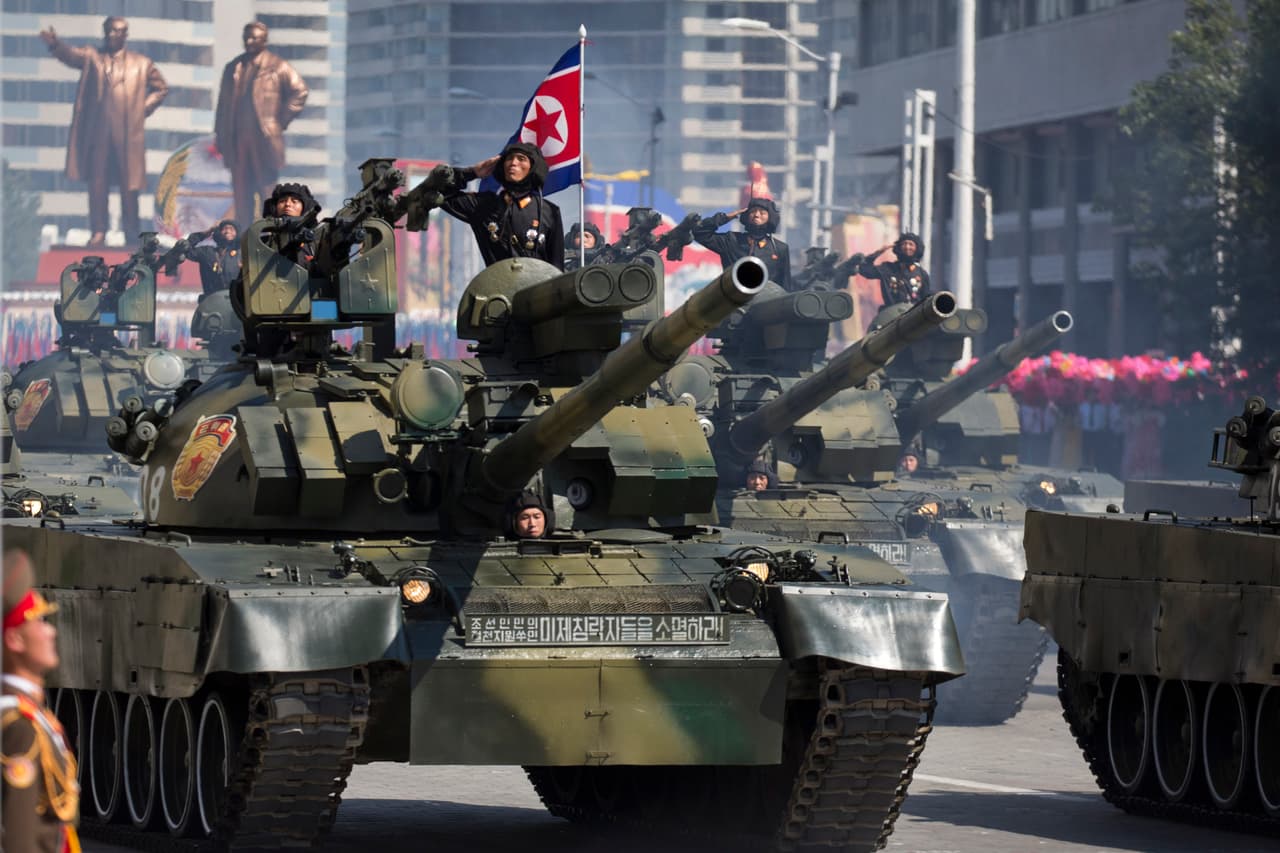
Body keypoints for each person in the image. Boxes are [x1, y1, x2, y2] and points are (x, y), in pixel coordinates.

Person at [40, 17, 168, 246]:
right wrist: (55, 45)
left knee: (130, 189)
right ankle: (98, 231)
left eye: (117, 32)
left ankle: (131, 233)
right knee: (97, 184)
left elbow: (161, 89)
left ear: (125, 35)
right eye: (109, 31)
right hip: (99, 135)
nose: (112, 36)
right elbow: (71, 55)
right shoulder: (92, 57)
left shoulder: (142, 63)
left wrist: (141, 109)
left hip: (128, 138)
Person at [2, 550, 79, 853]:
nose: (51, 631)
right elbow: (18, 838)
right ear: (14, 640)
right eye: (38, 620)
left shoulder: (29, 716)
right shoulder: (18, 726)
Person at [215, 21, 309, 231]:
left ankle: (272, 236)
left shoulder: (277, 66)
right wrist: (220, 137)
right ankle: (242, 242)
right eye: (246, 37)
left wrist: (278, 122)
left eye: (254, 38)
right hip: (238, 141)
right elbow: (222, 107)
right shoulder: (233, 68)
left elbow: (300, 91)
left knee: (267, 191)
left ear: (264, 41)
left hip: (263, 141)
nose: (249, 42)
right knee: (241, 194)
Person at [440, 142, 565, 270]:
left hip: (539, 287)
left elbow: (557, 268)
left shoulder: (549, 212)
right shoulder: (484, 205)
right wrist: (472, 173)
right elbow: (436, 193)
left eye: (521, 159)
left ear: (532, 168)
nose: (513, 163)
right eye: (509, 158)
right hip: (498, 287)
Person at [691, 197, 792, 290]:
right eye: (753, 211)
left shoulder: (779, 249)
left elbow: (785, 285)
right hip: (733, 302)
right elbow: (699, 232)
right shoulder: (731, 241)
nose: (757, 215)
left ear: (770, 218)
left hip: (765, 304)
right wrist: (726, 217)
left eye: (762, 212)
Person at [855, 233, 932, 306]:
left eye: (911, 244)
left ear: (917, 249)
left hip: (914, 316)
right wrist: (878, 252)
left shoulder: (922, 274)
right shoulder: (888, 268)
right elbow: (865, 270)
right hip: (892, 314)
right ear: (899, 247)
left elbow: (925, 299)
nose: (907, 247)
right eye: (904, 244)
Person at [187, 220, 241, 294]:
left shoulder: (242, 254)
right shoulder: (207, 252)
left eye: (231, 229)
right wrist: (205, 234)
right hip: (212, 300)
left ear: (237, 233)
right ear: (219, 233)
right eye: (224, 229)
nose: (227, 231)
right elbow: (184, 249)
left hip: (234, 301)